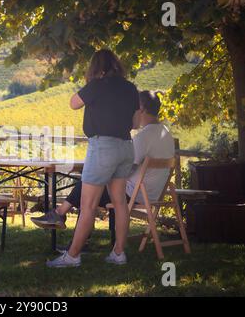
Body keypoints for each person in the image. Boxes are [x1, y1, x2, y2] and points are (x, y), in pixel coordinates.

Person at [32, 91, 175, 260]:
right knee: (90, 185)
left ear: (141, 108)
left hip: (135, 193)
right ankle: (62, 218)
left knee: (89, 186)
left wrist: (104, 170)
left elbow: (126, 169)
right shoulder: (165, 132)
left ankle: (62, 218)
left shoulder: (144, 137)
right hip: (152, 192)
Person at [45, 49, 141, 268]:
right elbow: (135, 124)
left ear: (95, 68)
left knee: (87, 205)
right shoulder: (130, 88)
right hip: (126, 147)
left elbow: (73, 103)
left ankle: (73, 256)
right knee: (119, 203)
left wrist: (94, 88)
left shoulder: (97, 85)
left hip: (103, 147)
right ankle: (118, 253)